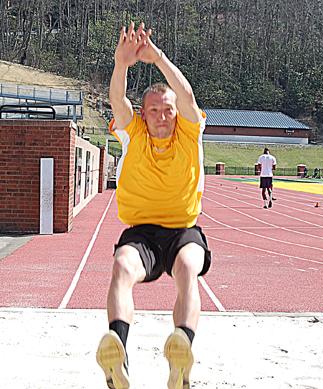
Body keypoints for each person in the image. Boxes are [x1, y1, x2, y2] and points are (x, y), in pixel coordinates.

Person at [95, 22, 211, 389]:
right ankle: (118, 354)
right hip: (141, 233)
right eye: (154, 110)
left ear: (177, 114)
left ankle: (182, 353)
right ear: (143, 114)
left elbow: (187, 95)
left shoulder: (190, 132)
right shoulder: (135, 134)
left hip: (183, 230)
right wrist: (121, 64)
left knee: (188, 269)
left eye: (167, 109)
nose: (162, 116)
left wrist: (156, 56)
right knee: (121, 267)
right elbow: (117, 100)